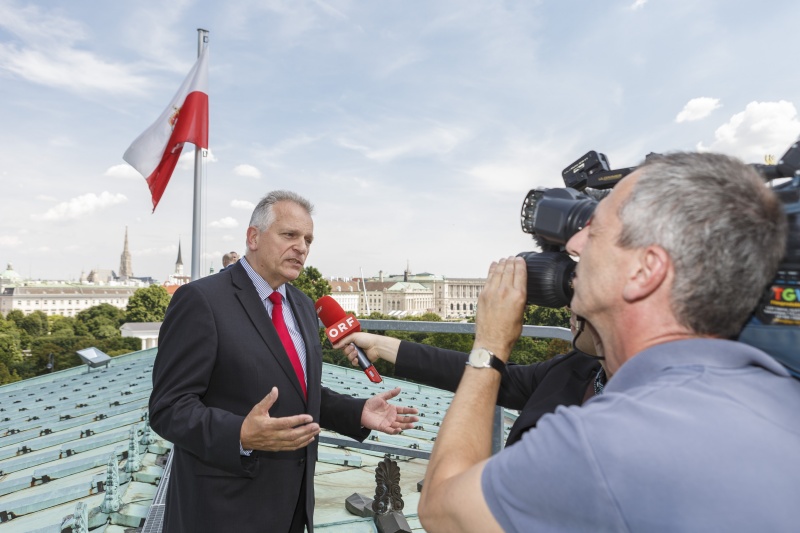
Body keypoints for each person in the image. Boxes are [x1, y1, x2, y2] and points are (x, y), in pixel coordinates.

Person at [415, 152, 799, 532]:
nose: (573, 246)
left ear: (645, 271)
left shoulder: (608, 443)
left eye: (595, 230)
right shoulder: (777, 391)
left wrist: (490, 344)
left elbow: (441, 509)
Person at [149, 190, 418, 533]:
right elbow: (168, 407)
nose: (301, 247)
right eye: (289, 235)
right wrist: (240, 434)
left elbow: (298, 389)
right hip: (221, 510)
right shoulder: (201, 300)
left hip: (291, 508)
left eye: (308, 240)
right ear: (253, 237)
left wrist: (356, 412)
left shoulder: (302, 305)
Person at [336, 310, 606, 447]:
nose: (571, 305)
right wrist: (380, 345)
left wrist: (492, 339)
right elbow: (497, 378)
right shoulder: (576, 367)